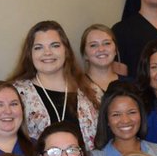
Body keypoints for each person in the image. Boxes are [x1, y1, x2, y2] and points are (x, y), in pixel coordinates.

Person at [9, 20, 100, 148]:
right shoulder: (16, 93)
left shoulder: (92, 91)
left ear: (66, 50)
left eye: (55, 45)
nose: (47, 53)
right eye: (38, 47)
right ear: (30, 54)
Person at [81, 24, 128, 98]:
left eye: (107, 43)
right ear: (85, 54)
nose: (101, 49)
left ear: (115, 50)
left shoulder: (131, 85)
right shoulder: (75, 86)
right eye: (93, 45)